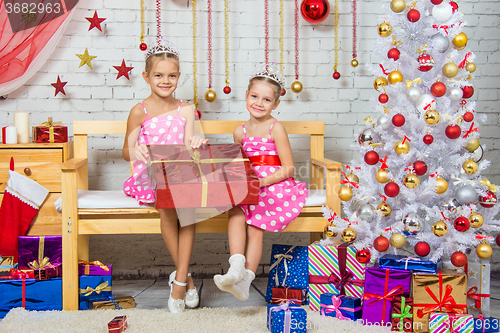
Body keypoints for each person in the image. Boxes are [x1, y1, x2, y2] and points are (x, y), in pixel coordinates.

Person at [122, 39, 207, 313]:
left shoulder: (186, 109)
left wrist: (195, 144)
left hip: (180, 171)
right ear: (146, 76)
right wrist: (138, 150)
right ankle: (186, 280)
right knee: (170, 207)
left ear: (178, 77)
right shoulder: (139, 111)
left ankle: (180, 279)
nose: (165, 80)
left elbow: (192, 145)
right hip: (152, 175)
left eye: (171, 75)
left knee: (187, 208)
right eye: (158, 75)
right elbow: (126, 151)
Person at [213, 64, 308, 301]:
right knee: (235, 209)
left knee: (254, 224)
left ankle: (246, 279)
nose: (259, 102)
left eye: (266, 99)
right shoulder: (239, 131)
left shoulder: (276, 128)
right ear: (246, 96)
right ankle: (236, 267)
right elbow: (238, 164)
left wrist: (260, 182)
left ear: (275, 104)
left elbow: (288, 168)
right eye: (254, 96)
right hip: (249, 183)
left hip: (273, 183)